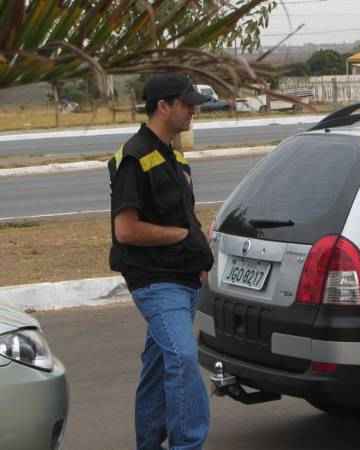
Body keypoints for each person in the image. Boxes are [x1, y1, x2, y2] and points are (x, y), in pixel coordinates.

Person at [108, 73, 214, 450]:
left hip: (184, 279)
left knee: (157, 370)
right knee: (184, 360)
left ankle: (148, 443)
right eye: (187, 104)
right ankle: (188, 444)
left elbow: (185, 216)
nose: (193, 112)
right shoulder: (134, 158)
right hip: (156, 282)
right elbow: (126, 230)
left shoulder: (174, 155)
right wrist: (183, 238)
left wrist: (198, 252)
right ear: (163, 106)